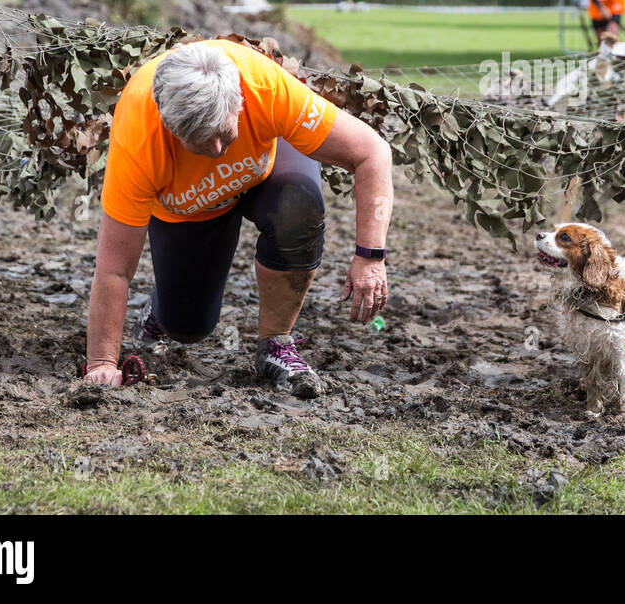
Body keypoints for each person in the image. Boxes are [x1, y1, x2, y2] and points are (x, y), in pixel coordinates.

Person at [83, 39, 394, 398]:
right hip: (190, 208)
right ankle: (161, 308)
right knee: (187, 327)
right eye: (200, 140)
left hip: (267, 171)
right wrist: (102, 365)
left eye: (223, 132)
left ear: (239, 100)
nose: (217, 151)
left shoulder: (265, 88)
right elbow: (113, 269)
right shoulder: (138, 139)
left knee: (298, 206)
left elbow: (373, 153)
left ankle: (277, 344)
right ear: (169, 124)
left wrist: (370, 257)